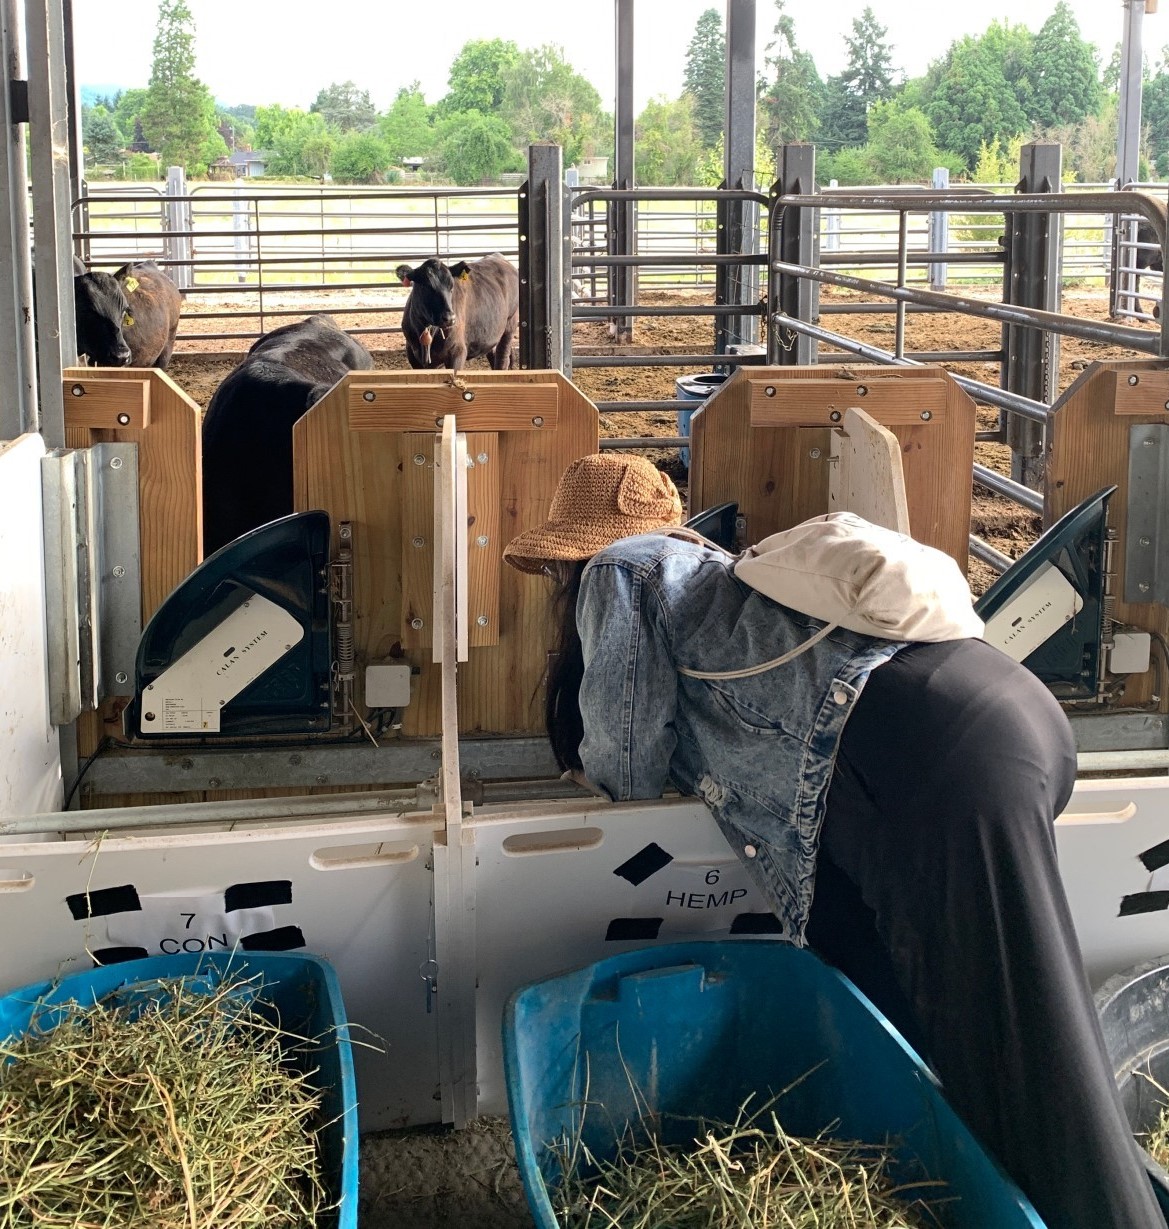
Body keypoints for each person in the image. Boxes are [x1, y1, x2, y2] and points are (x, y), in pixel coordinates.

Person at [502, 452, 1165, 1229]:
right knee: (898, 994)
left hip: (920, 754)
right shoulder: (729, 578)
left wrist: (593, 777)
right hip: (996, 706)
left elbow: (627, 752)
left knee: (1025, 1051)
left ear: (576, 552)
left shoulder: (623, 568)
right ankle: (959, 1193)